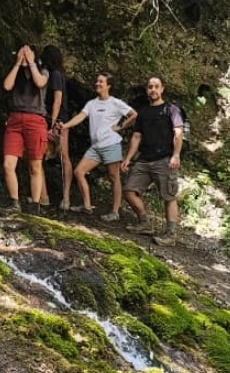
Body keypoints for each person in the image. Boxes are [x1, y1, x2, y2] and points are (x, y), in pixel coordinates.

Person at [61, 74, 142, 222]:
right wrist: (65, 126)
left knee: (113, 177)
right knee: (79, 171)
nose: (97, 83)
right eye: (97, 81)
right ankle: (87, 206)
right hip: (96, 146)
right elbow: (80, 116)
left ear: (108, 85)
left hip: (111, 144)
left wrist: (121, 126)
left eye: (101, 82)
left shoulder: (115, 103)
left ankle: (115, 211)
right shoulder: (92, 104)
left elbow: (134, 114)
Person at [121, 75, 185, 245]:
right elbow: (136, 136)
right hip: (144, 159)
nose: (153, 90)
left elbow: (178, 133)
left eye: (156, 86)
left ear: (162, 89)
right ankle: (144, 222)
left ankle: (171, 235)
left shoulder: (172, 109)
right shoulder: (143, 111)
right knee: (129, 190)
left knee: (168, 197)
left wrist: (176, 155)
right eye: (150, 87)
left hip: (165, 159)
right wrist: (128, 158)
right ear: (147, 90)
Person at [0, 43, 50, 213]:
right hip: (15, 119)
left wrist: (31, 63)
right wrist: (17, 64)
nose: (24, 55)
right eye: (21, 51)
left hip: (35, 120)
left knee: (35, 165)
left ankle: (35, 204)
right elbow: (6, 86)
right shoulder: (17, 73)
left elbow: (40, 82)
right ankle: (14, 202)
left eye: (27, 52)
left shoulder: (43, 71)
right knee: (8, 164)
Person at [40, 45, 74, 211]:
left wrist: (51, 123)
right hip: (62, 118)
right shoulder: (60, 74)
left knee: (59, 156)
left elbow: (57, 100)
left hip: (58, 120)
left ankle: (59, 197)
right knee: (63, 157)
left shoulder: (54, 75)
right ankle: (64, 198)